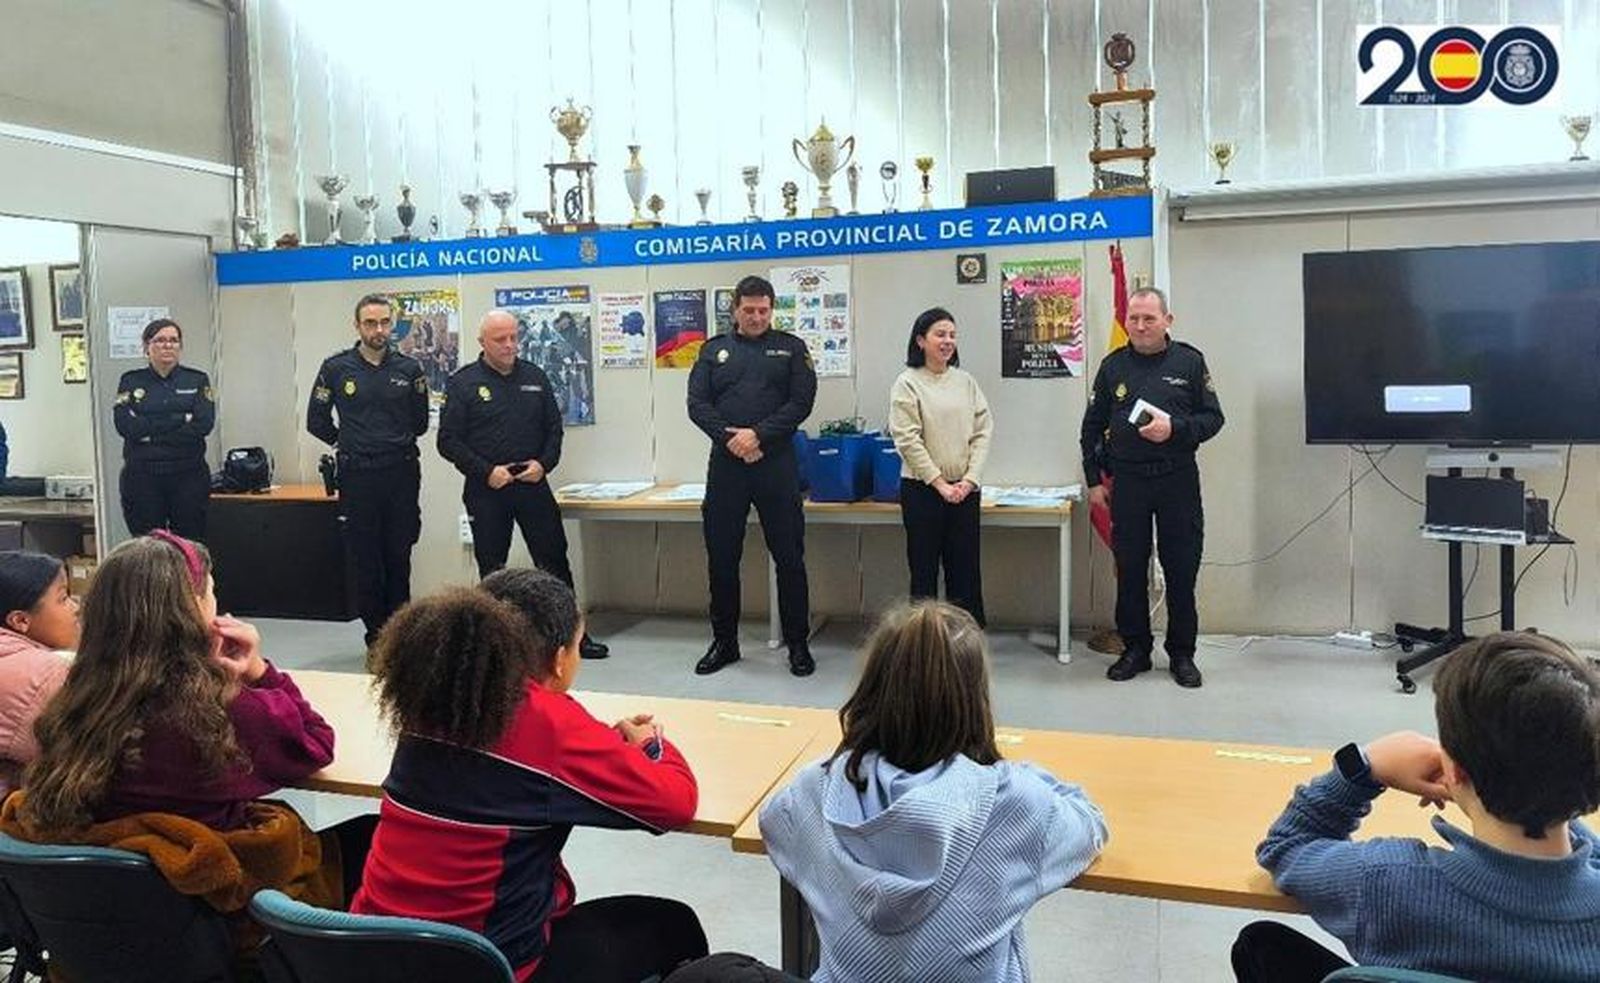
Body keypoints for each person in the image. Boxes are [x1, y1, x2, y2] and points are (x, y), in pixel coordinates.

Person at [352, 571, 706, 982]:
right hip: (486, 967)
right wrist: (650, 744)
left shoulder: (432, 702)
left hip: (377, 955)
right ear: (559, 659)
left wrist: (601, 742)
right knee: (673, 926)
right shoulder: (549, 724)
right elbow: (675, 802)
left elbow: (508, 773)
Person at [758, 601, 1108, 982]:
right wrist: (1014, 772)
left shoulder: (817, 789)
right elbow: (1090, 826)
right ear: (974, 703)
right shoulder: (1012, 802)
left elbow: (773, 821)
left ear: (872, 689)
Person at [1235, 631, 1600, 982]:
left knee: (1260, 945)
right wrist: (1510, 791)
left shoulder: (1385, 881)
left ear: (1454, 770)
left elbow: (1287, 846)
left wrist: (1363, 767)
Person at [437, 309, 607, 660]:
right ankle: (494, 648)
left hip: (532, 485)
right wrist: (486, 471)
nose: (510, 345)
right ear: (482, 341)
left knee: (554, 562)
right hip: (488, 490)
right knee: (493, 570)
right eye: (501, 339)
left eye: (514, 337)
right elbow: (448, 441)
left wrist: (543, 465)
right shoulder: (463, 383)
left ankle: (574, 637)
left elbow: (554, 430)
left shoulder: (535, 376)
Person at [1079, 287, 1223, 688]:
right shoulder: (1112, 367)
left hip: (1177, 478)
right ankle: (1136, 650)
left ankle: (1182, 654)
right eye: (1134, 319)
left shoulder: (1189, 363)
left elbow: (1213, 419)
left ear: (1167, 321)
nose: (1140, 326)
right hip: (1127, 483)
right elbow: (1091, 428)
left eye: (1149, 319)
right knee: (1129, 570)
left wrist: (1174, 428)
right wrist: (1094, 481)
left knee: (1181, 569)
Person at [686, 275, 817, 677]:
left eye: (763, 310)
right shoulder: (714, 351)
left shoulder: (792, 349)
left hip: (776, 463)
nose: (757, 317)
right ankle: (725, 642)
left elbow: (801, 402)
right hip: (727, 466)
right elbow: (697, 404)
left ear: (771, 309)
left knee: (790, 557)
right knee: (722, 557)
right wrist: (734, 440)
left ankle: (797, 644)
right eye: (749, 310)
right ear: (735, 310)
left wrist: (758, 435)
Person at [307, 294, 430, 646]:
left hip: (401, 473)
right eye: (370, 323)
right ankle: (376, 638)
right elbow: (316, 420)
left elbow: (420, 423)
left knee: (399, 553)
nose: (379, 330)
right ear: (357, 326)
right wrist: (345, 441)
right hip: (357, 475)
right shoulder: (335, 368)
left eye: (384, 322)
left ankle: (401, 637)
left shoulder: (410, 369)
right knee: (366, 560)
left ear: (393, 324)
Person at [888, 307, 993, 626]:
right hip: (922, 492)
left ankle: (966, 641)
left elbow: (983, 431)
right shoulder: (907, 383)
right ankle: (924, 644)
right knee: (924, 573)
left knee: (965, 571)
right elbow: (907, 439)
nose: (947, 341)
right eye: (939, 334)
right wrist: (940, 484)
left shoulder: (966, 382)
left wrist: (970, 480)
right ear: (921, 340)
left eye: (952, 335)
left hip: (964, 492)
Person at [113, 318, 216, 541]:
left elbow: (203, 424)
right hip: (143, 476)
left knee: (191, 543)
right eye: (160, 340)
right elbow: (125, 426)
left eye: (173, 340)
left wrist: (149, 432)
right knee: (148, 546)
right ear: (146, 347)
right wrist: (180, 419)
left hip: (188, 475)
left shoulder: (197, 379)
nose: (167, 345)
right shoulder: (131, 381)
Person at [0, 551, 78, 799]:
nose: (76, 608)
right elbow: (85, 757)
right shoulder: (43, 675)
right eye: (64, 598)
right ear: (20, 621)